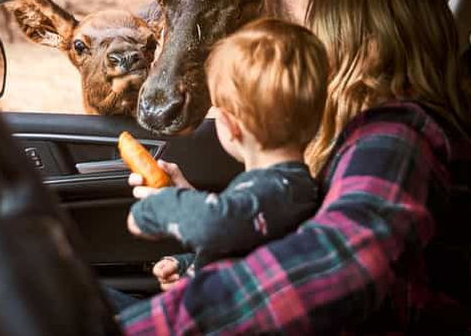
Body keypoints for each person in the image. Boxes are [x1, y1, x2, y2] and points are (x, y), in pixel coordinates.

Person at [119, 0, 471, 334]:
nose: (317, 58)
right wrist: (200, 235)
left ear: (367, 52)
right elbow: (293, 234)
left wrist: (163, 323)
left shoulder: (395, 139)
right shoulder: (371, 138)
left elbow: (341, 264)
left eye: (322, 39)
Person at [126, 18, 329, 291]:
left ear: (230, 126)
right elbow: (241, 241)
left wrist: (154, 208)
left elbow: (216, 224)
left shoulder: (275, 190)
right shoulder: (287, 186)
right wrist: (188, 266)